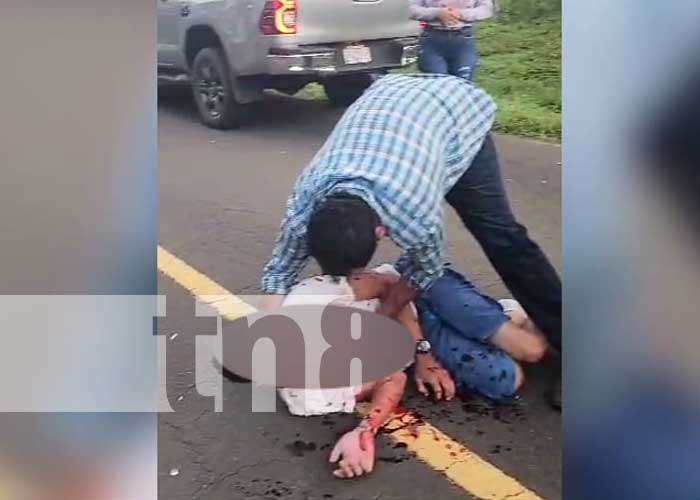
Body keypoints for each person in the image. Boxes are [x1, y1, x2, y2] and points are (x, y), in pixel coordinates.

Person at [262, 73, 562, 408]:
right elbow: (278, 275)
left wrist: (391, 327)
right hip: (391, 116)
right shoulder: (305, 205)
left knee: (502, 238)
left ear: (382, 231)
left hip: (453, 117)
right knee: (507, 375)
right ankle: (513, 319)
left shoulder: (414, 210)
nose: (348, 282)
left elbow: (422, 271)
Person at [276, 198, 546, 478]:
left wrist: (423, 354)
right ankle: (510, 315)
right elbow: (392, 379)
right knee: (507, 379)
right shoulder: (310, 394)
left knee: (530, 349)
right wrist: (365, 432)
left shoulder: (311, 300)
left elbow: (391, 286)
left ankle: (548, 314)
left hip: (417, 287)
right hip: (423, 328)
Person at [409, 0, 495, 81]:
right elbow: (412, 10)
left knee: (464, 86)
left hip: (463, 40)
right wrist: (437, 13)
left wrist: (461, 14)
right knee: (436, 86)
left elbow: (486, 10)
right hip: (432, 39)